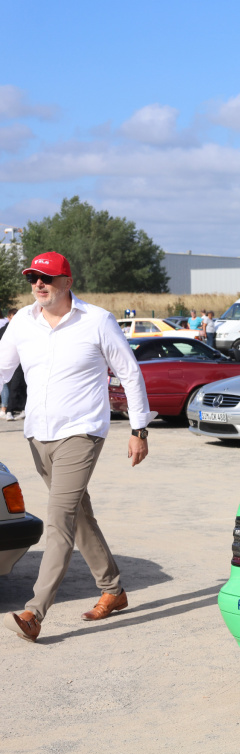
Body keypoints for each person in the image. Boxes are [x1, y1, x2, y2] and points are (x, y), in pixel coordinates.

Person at [0, 252, 153, 642]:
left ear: (67, 282)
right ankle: (113, 589)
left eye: (47, 278)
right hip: (38, 434)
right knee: (78, 514)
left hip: (82, 433)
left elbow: (129, 372)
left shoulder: (97, 320)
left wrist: (139, 429)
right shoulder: (22, 322)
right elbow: (1, 369)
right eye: (33, 278)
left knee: (59, 520)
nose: (39, 284)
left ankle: (35, 612)